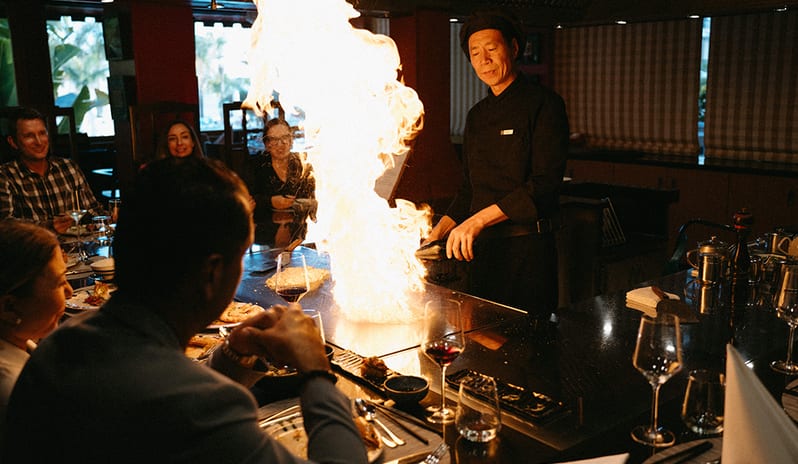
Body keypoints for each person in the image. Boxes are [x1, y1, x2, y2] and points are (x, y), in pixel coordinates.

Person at [3, 157, 367, 463]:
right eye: (240, 256)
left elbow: (166, 386)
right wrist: (317, 374)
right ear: (211, 273)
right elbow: (180, 401)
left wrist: (233, 354)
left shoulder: (62, 344)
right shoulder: (202, 409)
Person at [423, 9, 569, 323]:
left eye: (492, 48)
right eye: (475, 53)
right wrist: (438, 232)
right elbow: (468, 190)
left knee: (525, 350)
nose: (484, 59)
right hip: (480, 254)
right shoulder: (477, 115)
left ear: (514, 49)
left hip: (527, 252)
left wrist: (477, 221)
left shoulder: (545, 104)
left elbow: (544, 185)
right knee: (481, 344)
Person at [0, 220, 72, 441]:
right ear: (9, 307)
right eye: (60, 283)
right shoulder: (13, 390)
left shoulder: (22, 345)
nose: (70, 292)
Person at [0, 107, 105, 234]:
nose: (39, 142)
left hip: (77, 250)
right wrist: (48, 226)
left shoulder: (68, 167)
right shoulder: (5, 176)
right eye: (29, 136)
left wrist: (110, 217)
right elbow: (6, 225)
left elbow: (94, 210)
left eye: (42, 133)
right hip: (35, 252)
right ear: (13, 142)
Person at [244, 118, 316, 245]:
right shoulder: (256, 165)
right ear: (267, 144)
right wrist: (270, 201)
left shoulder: (302, 164)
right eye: (274, 140)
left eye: (285, 138)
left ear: (291, 140)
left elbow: (315, 195)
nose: (281, 144)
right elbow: (246, 198)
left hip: (302, 231)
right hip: (263, 229)